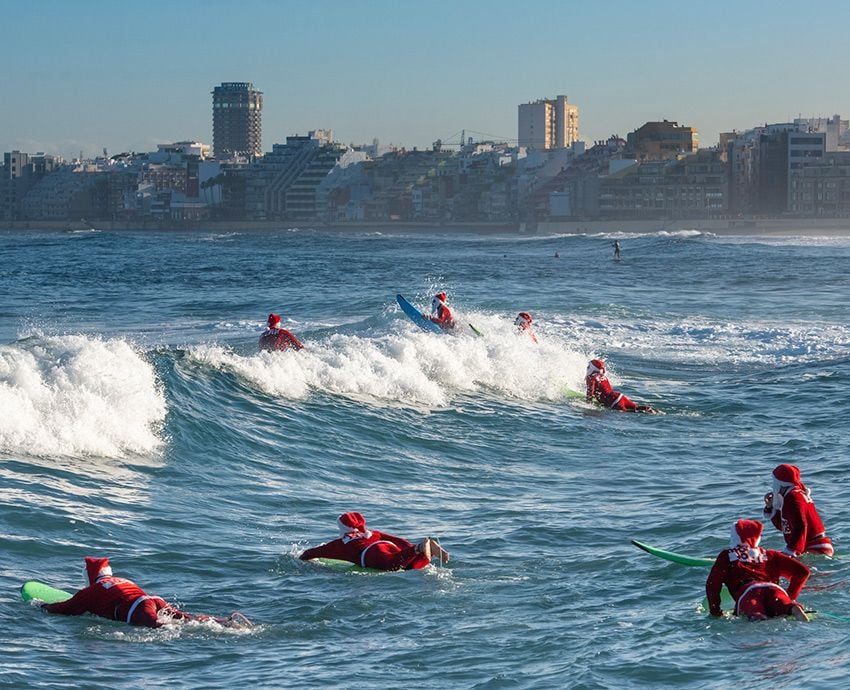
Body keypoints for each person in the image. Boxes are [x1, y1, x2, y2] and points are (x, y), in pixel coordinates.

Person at [40, 557, 251, 628]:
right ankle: (226, 622)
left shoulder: (90, 592)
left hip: (137, 608)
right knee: (188, 620)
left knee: (164, 629)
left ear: (90, 577)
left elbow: (63, 609)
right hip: (152, 599)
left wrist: (41, 606)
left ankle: (224, 628)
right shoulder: (121, 580)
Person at [705, 519, 810, 621]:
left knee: (756, 615)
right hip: (774, 589)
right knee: (786, 606)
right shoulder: (770, 554)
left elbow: (712, 584)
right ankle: (792, 608)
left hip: (748, 592)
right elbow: (803, 571)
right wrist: (789, 596)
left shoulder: (727, 555)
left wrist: (715, 612)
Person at [299, 512, 450, 571]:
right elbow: (396, 540)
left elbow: (313, 553)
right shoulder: (371, 533)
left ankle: (418, 549)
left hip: (371, 554)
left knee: (391, 565)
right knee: (410, 565)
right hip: (387, 546)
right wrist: (409, 546)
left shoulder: (340, 544)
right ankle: (421, 551)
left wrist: (301, 557)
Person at [763, 464, 833, 557]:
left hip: (815, 548)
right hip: (816, 547)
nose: (773, 486)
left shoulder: (793, 497)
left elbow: (800, 526)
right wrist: (770, 507)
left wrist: (790, 551)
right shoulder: (792, 496)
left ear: (781, 483)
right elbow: (787, 528)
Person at [585, 359, 655, 413]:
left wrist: (588, 404)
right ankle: (655, 411)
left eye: (589, 366)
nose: (587, 368)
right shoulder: (602, 375)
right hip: (618, 396)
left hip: (613, 401)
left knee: (625, 412)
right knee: (637, 408)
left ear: (592, 368)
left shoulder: (591, 377)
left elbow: (590, 391)